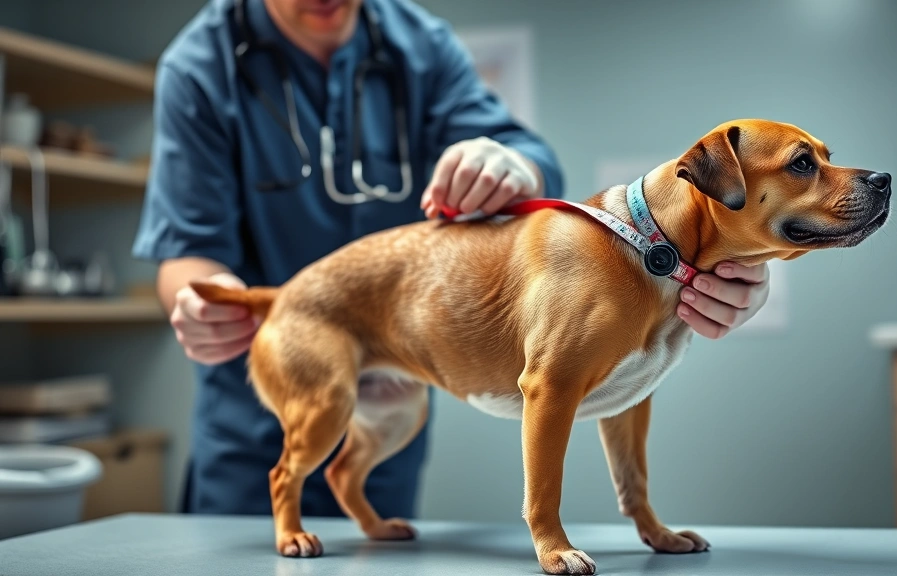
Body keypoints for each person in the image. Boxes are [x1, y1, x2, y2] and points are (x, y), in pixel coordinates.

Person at [132, 0, 772, 520]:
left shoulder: (419, 43)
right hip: (254, 422)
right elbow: (186, 250)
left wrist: (510, 162)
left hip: (402, 393)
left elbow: (528, 152)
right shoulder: (199, 65)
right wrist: (199, 298)